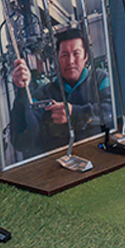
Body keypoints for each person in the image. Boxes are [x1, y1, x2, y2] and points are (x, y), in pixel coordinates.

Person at [10, 28, 112, 157]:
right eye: (64, 55)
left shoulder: (101, 79)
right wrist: (22, 91)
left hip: (100, 154)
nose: (70, 61)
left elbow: (111, 113)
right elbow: (20, 141)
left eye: (76, 54)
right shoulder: (43, 94)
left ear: (86, 56)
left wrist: (74, 113)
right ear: (56, 58)